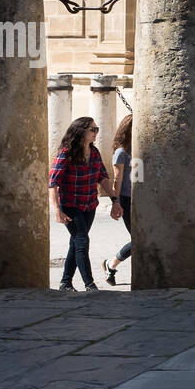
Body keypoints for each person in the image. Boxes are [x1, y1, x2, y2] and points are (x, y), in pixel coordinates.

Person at [49, 117, 122, 292]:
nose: (96, 133)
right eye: (93, 129)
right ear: (81, 131)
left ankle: (65, 283)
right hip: (70, 205)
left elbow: (103, 178)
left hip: (89, 205)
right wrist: (57, 210)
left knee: (76, 242)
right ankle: (90, 285)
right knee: (82, 241)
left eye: (96, 129)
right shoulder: (66, 153)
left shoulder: (94, 152)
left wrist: (114, 200)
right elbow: (53, 183)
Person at [103, 114, 133, 286]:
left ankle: (111, 264)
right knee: (138, 239)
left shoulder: (138, 150)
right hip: (127, 198)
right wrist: (116, 201)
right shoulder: (121, 153)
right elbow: (117, 179)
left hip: (140, 197)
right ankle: (112, 264)